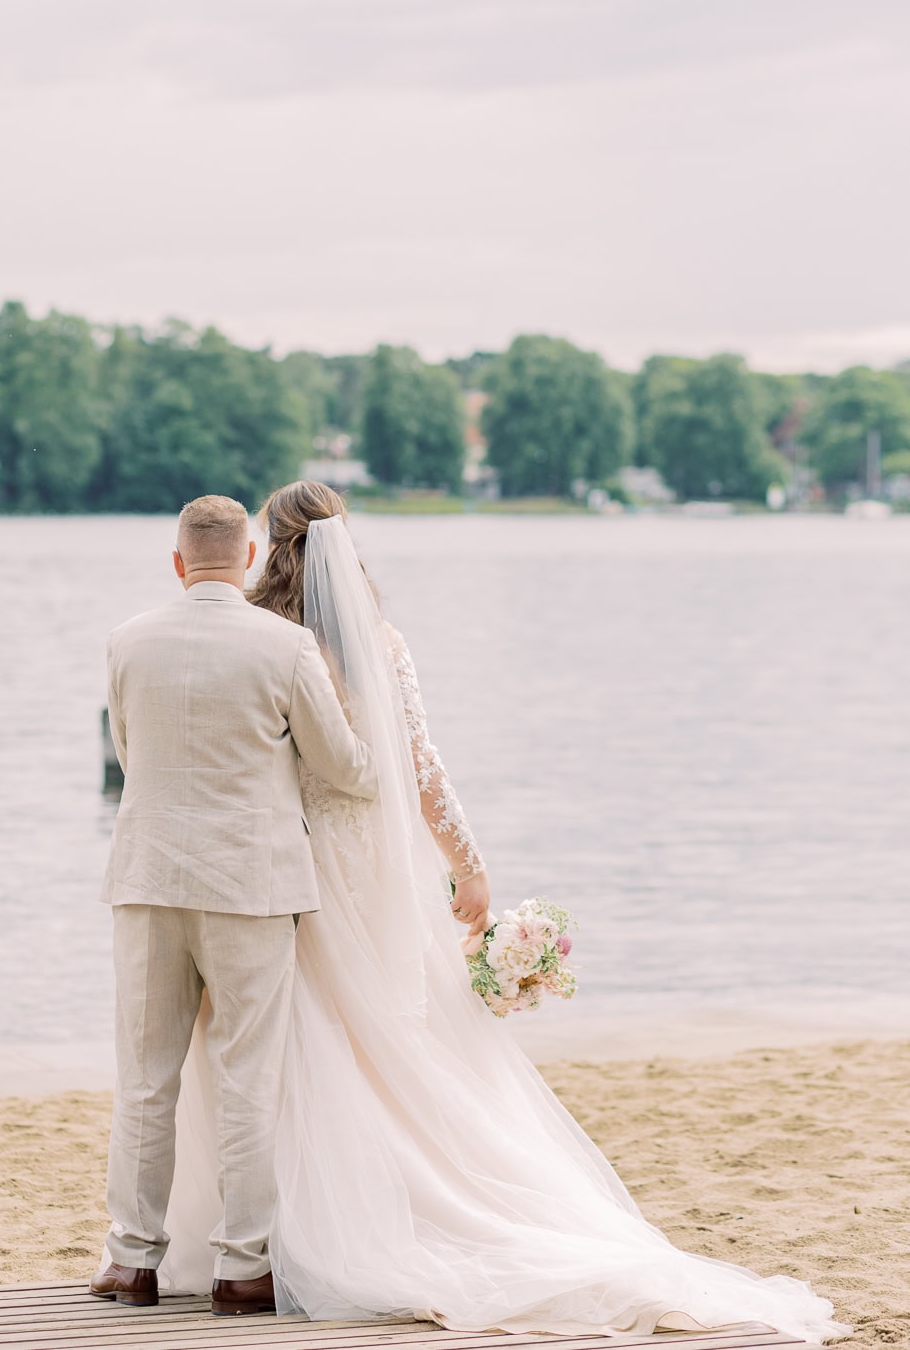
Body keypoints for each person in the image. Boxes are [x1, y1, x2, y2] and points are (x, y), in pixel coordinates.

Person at [155, 480, 845, 1343]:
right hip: (368, 866)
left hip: (277, 864)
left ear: (268, 544)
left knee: (278, 1040)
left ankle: (264, 1236)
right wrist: (469, 865)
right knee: (379, 1038)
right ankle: (345, 1214)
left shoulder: (260, 636)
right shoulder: (378, 641)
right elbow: (421, 764)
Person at [91, 493, 377, 1316]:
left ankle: (132, 1259)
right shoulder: (287, 646)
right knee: (248, 1078)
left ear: (178, 561)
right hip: (252, 887)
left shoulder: (127, 640)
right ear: (247, 556)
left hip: (148, 880)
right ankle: (241, 1269)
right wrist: (380, 758)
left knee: (146, 1078)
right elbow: (341, 766)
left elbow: (129, 753)